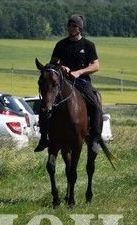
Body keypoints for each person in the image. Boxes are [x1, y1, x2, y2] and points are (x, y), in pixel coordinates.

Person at [34, 14, 103, 154]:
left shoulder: (88, 45)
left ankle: (95, 138)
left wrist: (79, 72)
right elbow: (52, 63)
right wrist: (61, 67)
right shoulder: (61, 44)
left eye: (73, 26)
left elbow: (96, 66)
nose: (70, 28)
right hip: (62, 81)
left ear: (80, 28)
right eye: (69, 25)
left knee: (95, 103)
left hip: (82, 81)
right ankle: (44, 138)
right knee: (45, 105)